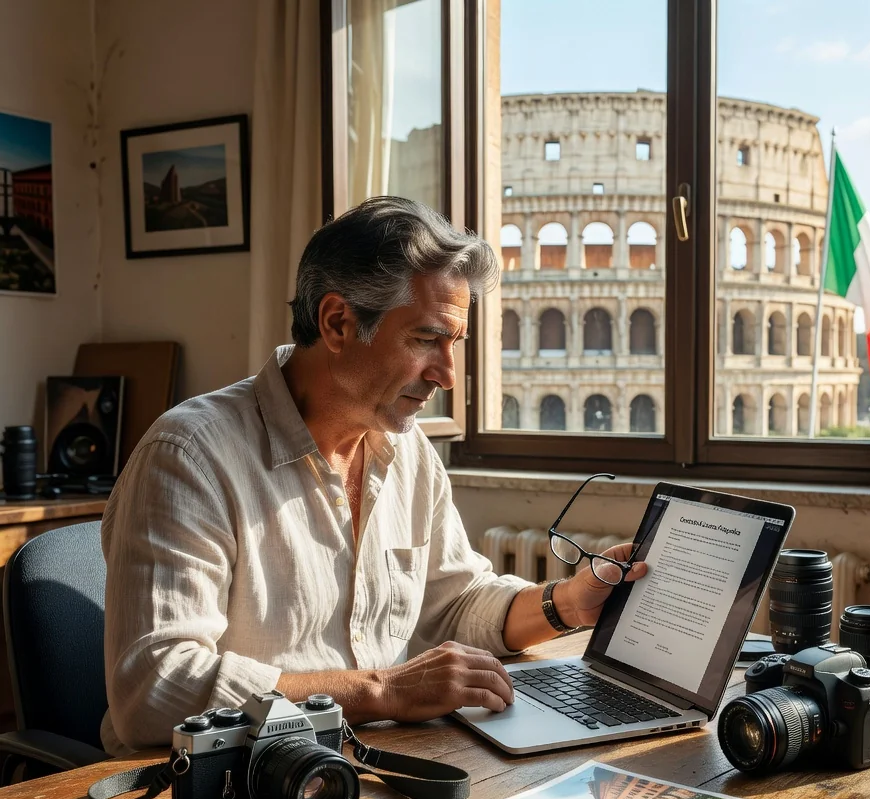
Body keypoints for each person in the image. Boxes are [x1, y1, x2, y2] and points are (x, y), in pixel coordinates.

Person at [100, 197, 645, 755]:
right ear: (338, 322)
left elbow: (453, 603)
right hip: (211, 794)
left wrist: (565, 605)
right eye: (426, 339)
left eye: (454, 343)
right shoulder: (189, 455)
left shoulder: (408, 451)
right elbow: (155, 690)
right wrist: (381, 690)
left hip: (363, 769)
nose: (448, 375)